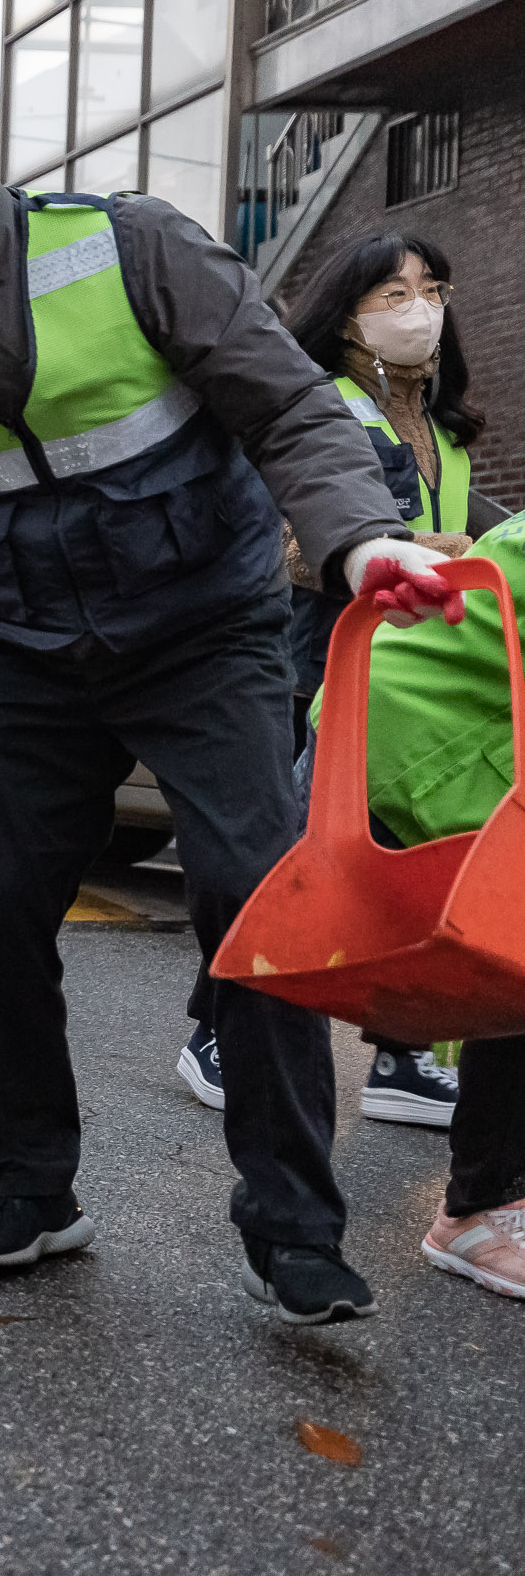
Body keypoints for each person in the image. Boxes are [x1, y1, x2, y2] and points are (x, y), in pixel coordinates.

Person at [0, 48, 455, 1321]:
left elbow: (286, 410)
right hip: (34, 658)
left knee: (254, 909)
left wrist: (357, 539)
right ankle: (29, 1191)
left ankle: (293, 1226)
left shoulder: (132, 250)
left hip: (202, 640)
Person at [178, 231, 512, 1129]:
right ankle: (219, 1023)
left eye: (432, 287)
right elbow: (275, 540)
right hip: (309, 669)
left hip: (410, 682)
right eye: (392, 293)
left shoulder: (445, 432)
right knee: (292, 857)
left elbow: (493, 533)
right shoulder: (319, 407)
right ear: (347, 313)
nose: (420, 308)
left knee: (405, 868)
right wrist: (369, 552)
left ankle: (401, 1052)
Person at [317, 506, 525, 1301]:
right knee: (515, 951)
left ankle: (486, 1192)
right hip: (427, 749)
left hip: (404, 732)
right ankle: (478, 1209)